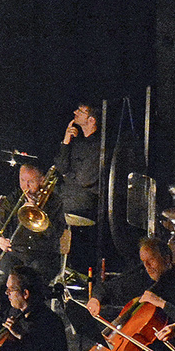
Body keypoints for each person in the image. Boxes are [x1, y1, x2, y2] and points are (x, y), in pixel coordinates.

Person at [0, 162, 65, 298]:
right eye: (22, 180)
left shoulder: (55, 202)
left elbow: (56, 234)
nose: (25, 186)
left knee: (30, 286)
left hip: (43, 255)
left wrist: (39, 212)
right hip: (16, 253)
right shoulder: (13, 199)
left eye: (31, 181)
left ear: (42, 180)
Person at [54, 103, 103, 267]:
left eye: (80, 111)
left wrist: (67, 175)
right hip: (69, 196)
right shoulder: (78, 142)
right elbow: (60, 167)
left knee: (50, 210)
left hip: (83, 203)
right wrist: (66, 141)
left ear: (91, 120)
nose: (75, 112)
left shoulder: (99, 147)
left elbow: (84, 179)